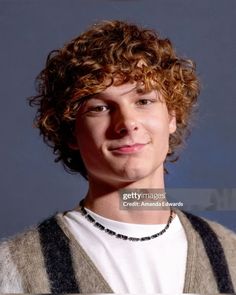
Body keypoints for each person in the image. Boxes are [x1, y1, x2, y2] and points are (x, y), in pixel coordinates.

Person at [0, 20, 236, 294]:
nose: (127, 122)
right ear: (71, 134)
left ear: (171, 116)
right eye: (99, 107)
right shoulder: (13, 268)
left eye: (144, 101)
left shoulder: (229, 255)